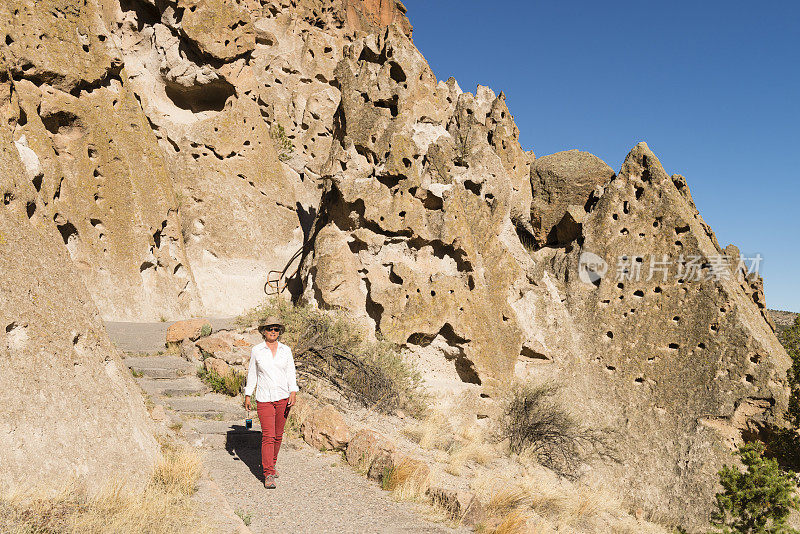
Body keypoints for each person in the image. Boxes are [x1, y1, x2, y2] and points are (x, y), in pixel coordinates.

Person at [244, 316, 298, 489]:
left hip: (283, 396)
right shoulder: (257, 350)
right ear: (263, 331)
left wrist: (293, 391)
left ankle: (272, 464)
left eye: (276, 329)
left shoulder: (286, 350)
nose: (273, 332)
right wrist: (247, 394)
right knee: (268, 435)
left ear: (279, 331)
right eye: (269, 329)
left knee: (278, 435)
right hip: (264, 398)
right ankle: (268, 474)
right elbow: (252, 374)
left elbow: (291, 371)